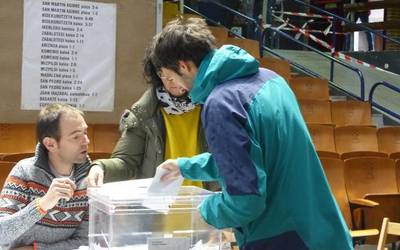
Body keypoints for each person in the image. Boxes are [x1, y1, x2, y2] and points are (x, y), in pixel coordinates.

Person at [152, 17, 353, 249]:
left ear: (184, 66)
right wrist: (185, 167)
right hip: (323, 230)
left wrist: (203, 212)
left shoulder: (222, 104)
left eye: (170, 76)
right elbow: (252, 156)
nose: (175, 85)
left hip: (281, 237)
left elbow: (246, 202)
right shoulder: (272, 80)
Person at [87, 46, 217, 191]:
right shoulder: (144, 113)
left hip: (206, 208)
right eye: (164, 74)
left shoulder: (214, 107)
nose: (171, 82)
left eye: (176, 73)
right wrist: (101, 168)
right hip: (158, 209)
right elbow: (126, 162)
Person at [0, 104, 90, 250]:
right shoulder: (24, 172)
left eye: (85, 133)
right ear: (50, 144)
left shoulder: (89, 179)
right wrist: (42, 205)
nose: (86, 141)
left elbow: (85, 241)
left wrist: (37, 249)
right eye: (76, 136)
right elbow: (1, 234)